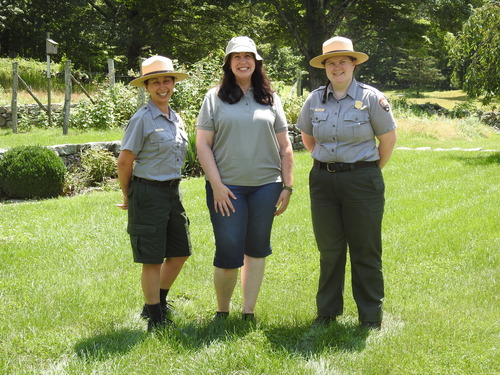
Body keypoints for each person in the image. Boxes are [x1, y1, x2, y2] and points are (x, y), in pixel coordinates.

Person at [296, 36, 397, 330]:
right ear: (325, 67)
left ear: (353, 64)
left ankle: (370, 317)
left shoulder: (370, 98)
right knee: (330, 250)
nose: (336, 67)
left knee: (365, 249)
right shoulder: (314, 99)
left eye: (342, 61)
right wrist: (327, 161)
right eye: (331, 62)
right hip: (323, 182)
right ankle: (327, 313)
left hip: (362, 181)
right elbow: (307, 136)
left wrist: (364, 169)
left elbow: (387, 140)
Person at [196, 36, 293, 321]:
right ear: (228, 63)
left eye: (248, 56)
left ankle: (248, 312)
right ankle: (222, 311)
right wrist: (217, 186)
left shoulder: (271, 98)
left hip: (267, 186)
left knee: (257, 249)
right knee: (228, 250)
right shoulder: (213, 98)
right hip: (227, 188)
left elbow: (285, 146)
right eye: (236, 57)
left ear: (256, 62)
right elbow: (203, 144)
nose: (243, 61)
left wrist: (287, 185)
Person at [117, 55, 192, 331]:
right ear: (146, 87)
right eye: (155, 82)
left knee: (180, 252)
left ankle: (155, 304)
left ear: (173, 83)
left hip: (172, 193)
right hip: (148, 192)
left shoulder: (175, 117)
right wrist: (130, 196)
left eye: (167, 80)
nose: (162, 86)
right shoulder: (142, 119)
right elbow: (125, 161)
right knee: (152, 258)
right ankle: (156, 320)